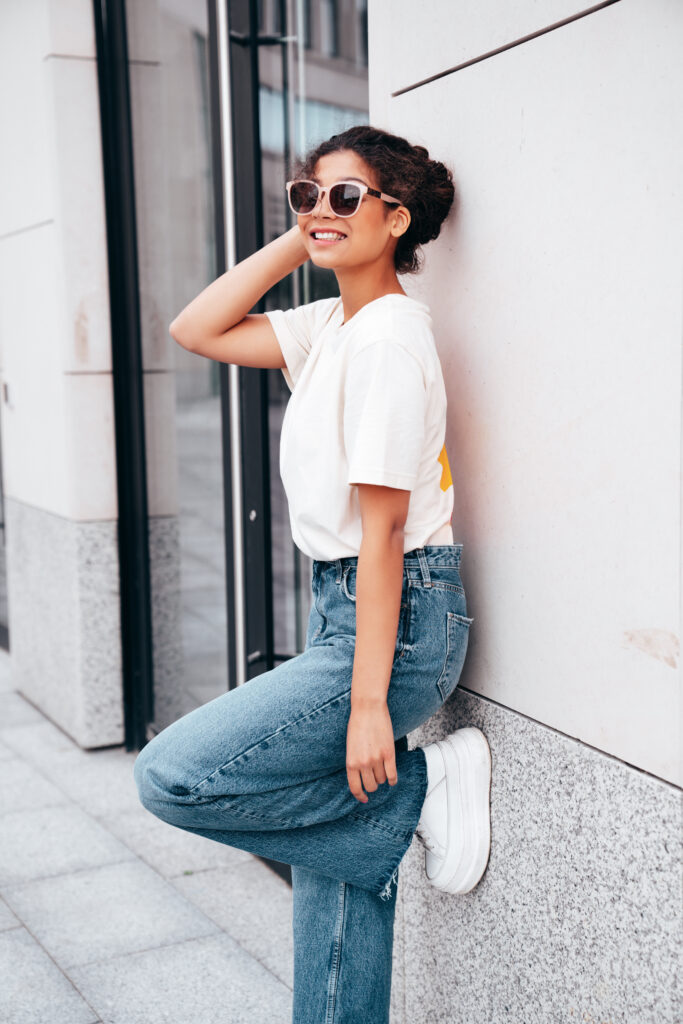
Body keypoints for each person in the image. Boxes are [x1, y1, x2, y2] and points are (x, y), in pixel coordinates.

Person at [133, 124, 492, 1024]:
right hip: (361, 612)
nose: (318, 210)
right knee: (337, 856)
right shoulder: (334, 323)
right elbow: (196, 328)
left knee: (172, 776)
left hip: (397, 615)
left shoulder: (384, 344)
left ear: (396, 216)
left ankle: (424, 786)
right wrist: (313, 233)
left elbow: (383, 536)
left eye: (345, 197)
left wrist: (370, 704)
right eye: (305, 193)